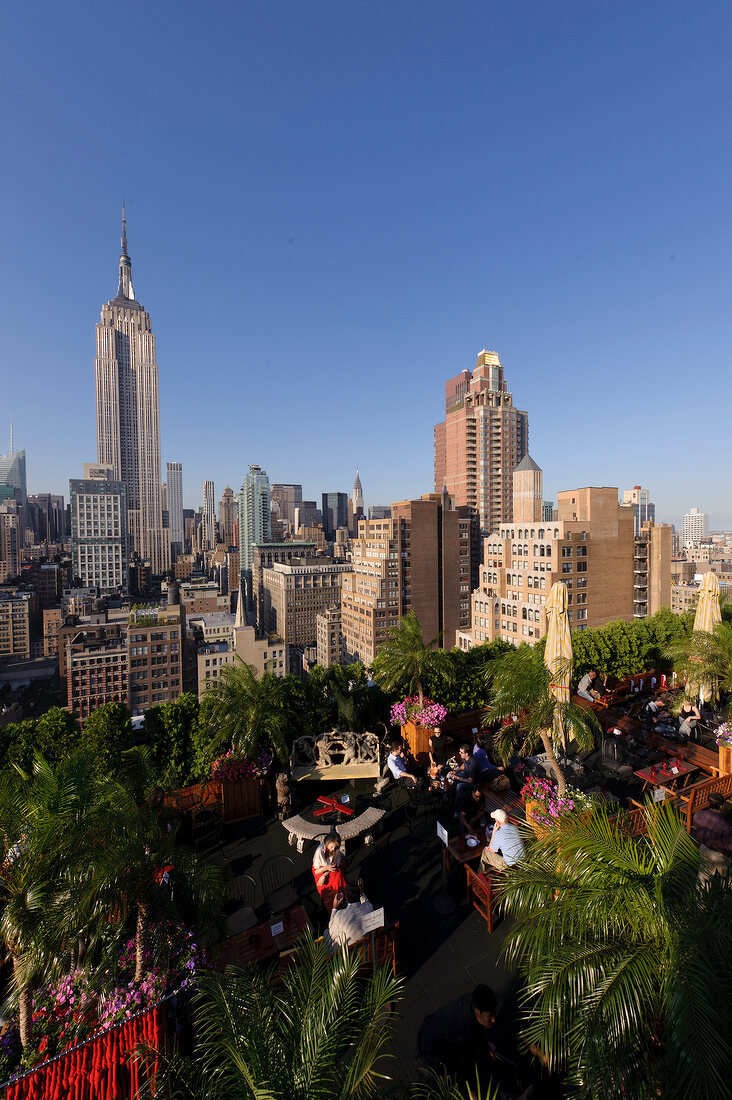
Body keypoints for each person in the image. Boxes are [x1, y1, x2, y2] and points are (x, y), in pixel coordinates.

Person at [324, 879, 375, 951]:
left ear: (346, 898)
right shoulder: (368, 906)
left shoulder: (339, 915)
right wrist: (361, 893)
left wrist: (334, 908)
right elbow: (366, 901)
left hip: (352, 956)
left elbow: (331, 934)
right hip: (370, 949)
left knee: (327, 934)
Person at [693, 793, 732, 879]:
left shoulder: (698, 815)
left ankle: (700, 892)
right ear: (722, 806)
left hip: (703, 849)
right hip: (719, 855)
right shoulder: (724, 826)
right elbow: (729, 846)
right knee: (727, 879)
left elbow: (696, 830)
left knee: (703, 877)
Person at [479, 808, 525, 873]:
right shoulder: (515, 828)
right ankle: (486, 869)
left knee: (485, 851)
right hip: (522, 863)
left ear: (497, 822)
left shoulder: (499, 834)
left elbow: (491, 850)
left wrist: (494, 831)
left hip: (510, 867)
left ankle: (481, 874)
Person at [312, 830, 348, 911]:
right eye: (331, 847)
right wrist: (324, 872)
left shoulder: (336, 850)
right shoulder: (319, 851)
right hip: (320, 870)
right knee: (328, 887)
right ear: (327, 843)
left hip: (329, 869)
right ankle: (332, 907)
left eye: (335, 847)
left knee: (339, 875)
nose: (333, 849)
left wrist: (326, 873)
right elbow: (316, 871)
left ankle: (342, 897)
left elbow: (334, 865)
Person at [449, 743, 483, 823]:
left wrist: (458, 778)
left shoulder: (473, 763)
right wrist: (456, 771)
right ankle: (450, 795)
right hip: (466, 774)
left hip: (473, 782)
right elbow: (463, 766)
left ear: (466, 754)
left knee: (459, 786)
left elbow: (470, 781)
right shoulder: (464, 758)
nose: (459, 753)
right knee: (449, 775)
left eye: (461, 752)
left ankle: (458, 806)